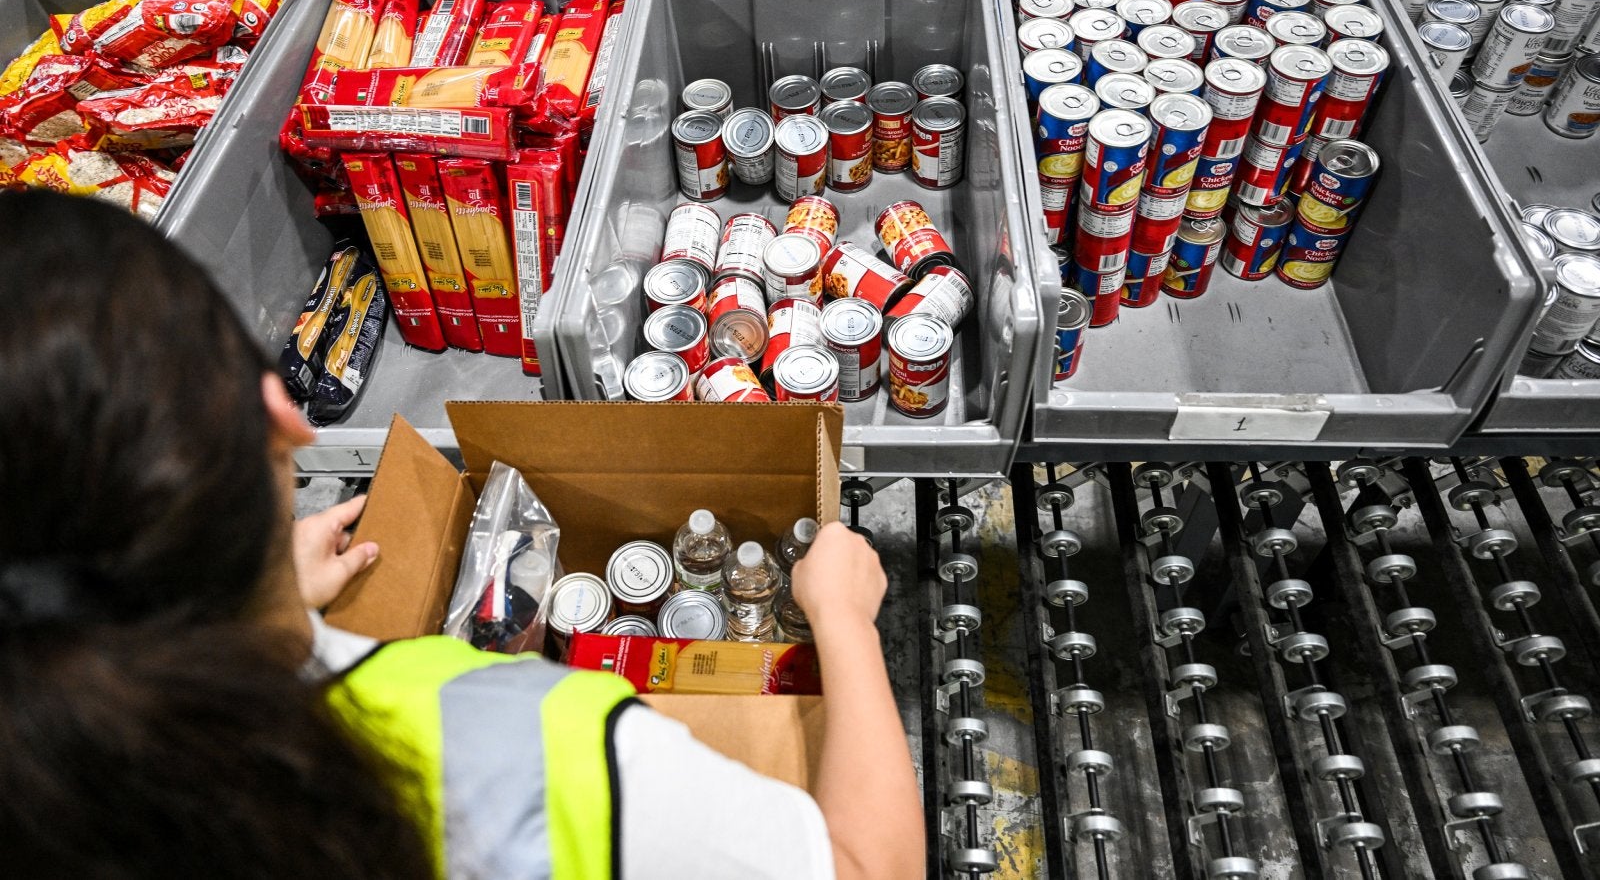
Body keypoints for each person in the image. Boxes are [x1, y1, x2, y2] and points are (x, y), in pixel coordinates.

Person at [0, 189, 923, 880]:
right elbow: (871, 867)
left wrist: (264, 613)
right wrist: (845, 620)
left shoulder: (47, 790)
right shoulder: (528, 743)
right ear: (281, 413)